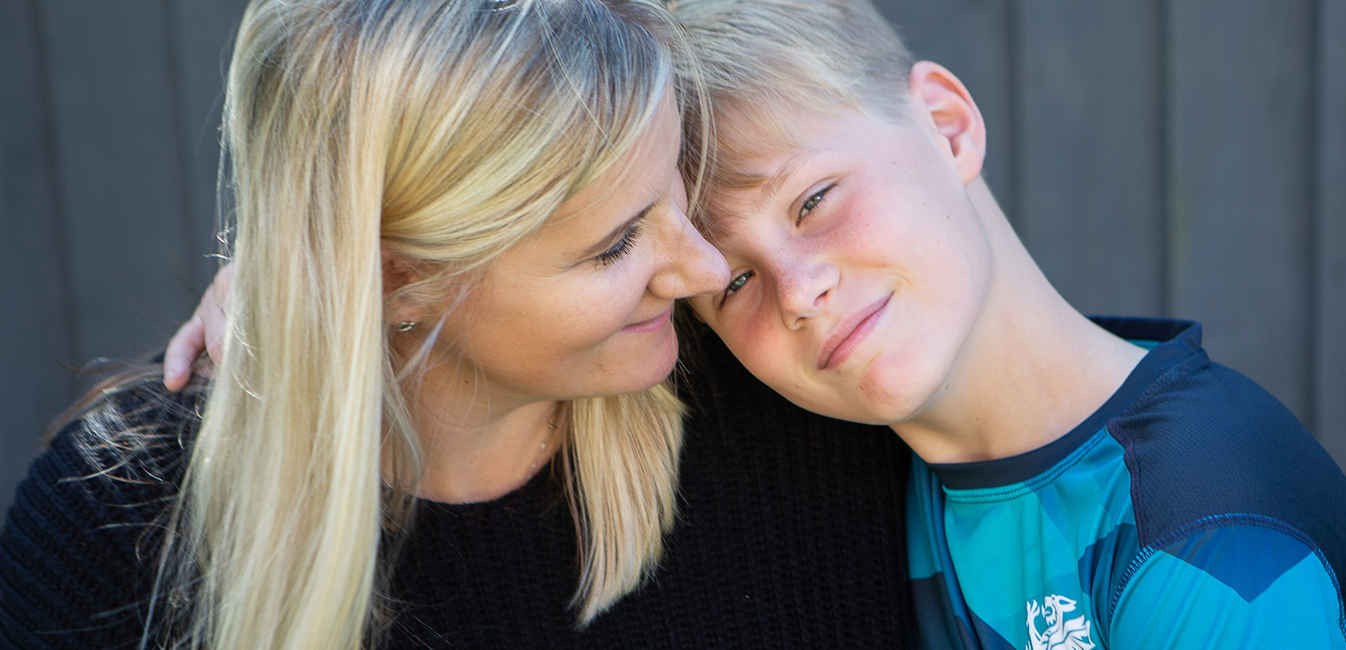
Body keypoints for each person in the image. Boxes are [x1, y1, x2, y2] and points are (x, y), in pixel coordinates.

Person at [0, 1, 917, 648]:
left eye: (673, 182)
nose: (706, 272)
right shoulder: (111, 532)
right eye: (614, 245)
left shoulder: (779, 385)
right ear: (397, 280)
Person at [665, 1, 1346, 648]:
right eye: (735, 283)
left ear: (947, 126)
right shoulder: (839, 485)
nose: (796, 293)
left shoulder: (1205, 548)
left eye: (813, 200)